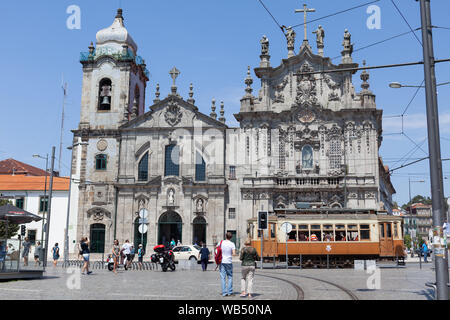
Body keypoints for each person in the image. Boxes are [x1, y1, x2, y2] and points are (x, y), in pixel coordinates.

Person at [218, 232, 236, 297]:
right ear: (231, 237)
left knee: (223, 277)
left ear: (226, 236)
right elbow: (234, 254)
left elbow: (217, 250)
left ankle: (224, 292)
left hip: (222, 261)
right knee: (230, 277)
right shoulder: (232, 244)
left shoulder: (221, 242)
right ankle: (230, 292)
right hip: (228, 261)